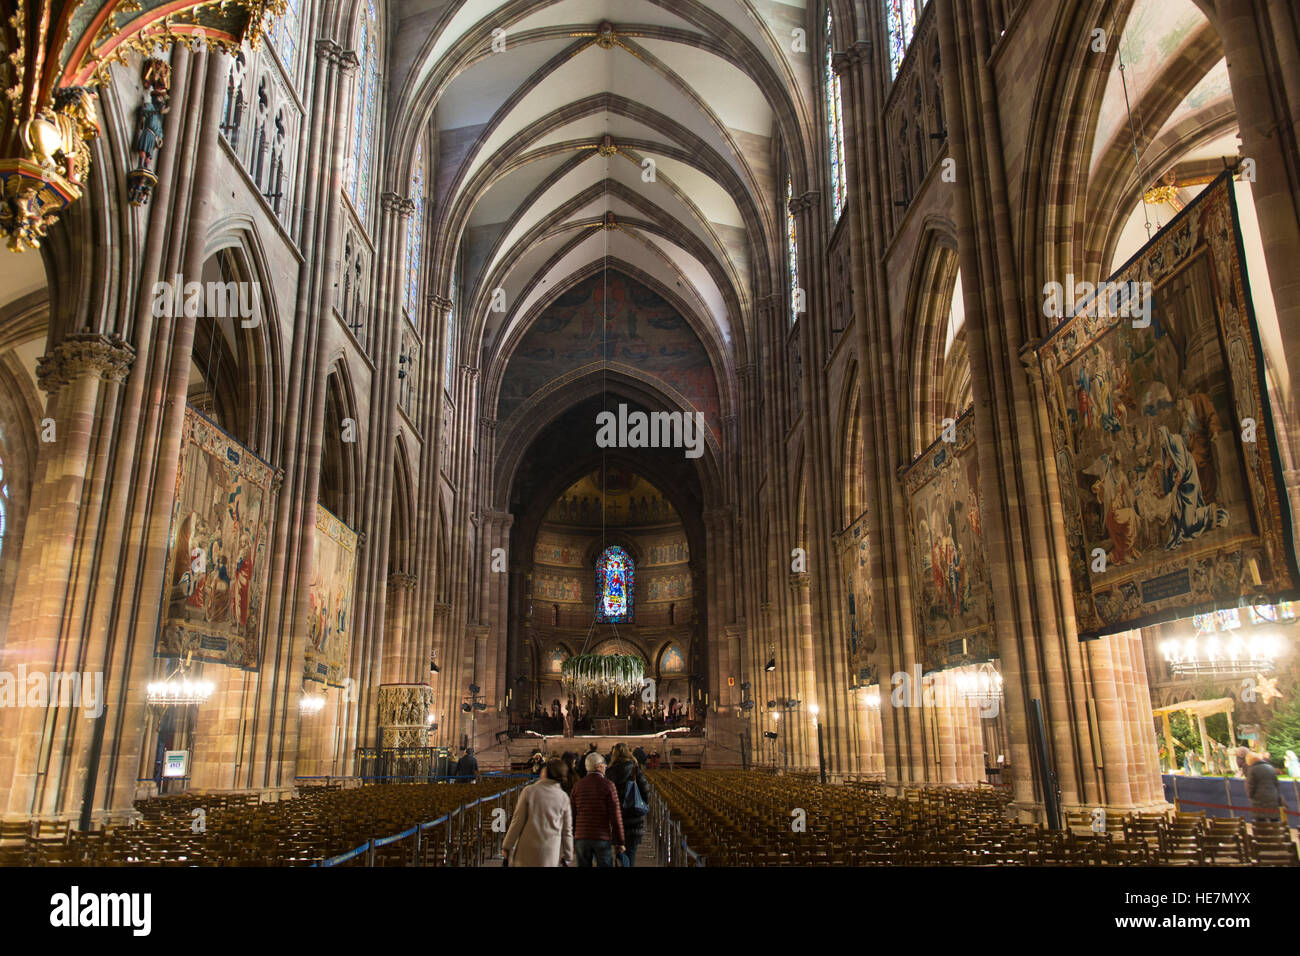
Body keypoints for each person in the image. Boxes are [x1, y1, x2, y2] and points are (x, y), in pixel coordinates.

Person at [502, 756, 575, 867]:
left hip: (527, 849)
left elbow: (517, 821)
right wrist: (568, 854)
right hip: (550, 852)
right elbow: (567, 830)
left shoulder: (529, 791)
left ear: (546, 773)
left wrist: (507, 845)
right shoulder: (563, 797)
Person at [570, 751, 625, 867]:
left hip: (581, 836)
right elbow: (615, 815)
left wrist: (572, 838)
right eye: (603, 764)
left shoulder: (577, 786)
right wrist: (620, 841)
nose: (605, 766)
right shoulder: (608, 785)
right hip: (601, 836)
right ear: (598, 766)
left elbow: (572, 814)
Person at [607, 743, 650, 867]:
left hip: (616, 817)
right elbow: (645, 790)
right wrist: (643, 805)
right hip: (633, 815)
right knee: (631, 852)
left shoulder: (609, 772)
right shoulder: (635, 770)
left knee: (619, 852)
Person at [1245, 751, 1284, 823]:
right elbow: (1276, 784)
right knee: (1274, 822)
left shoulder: (1252, 770)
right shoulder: (1270, 767)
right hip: (1273, 798)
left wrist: (1250, 797)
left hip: (1259, 801)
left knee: (1261, 824)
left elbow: (1250, 786)